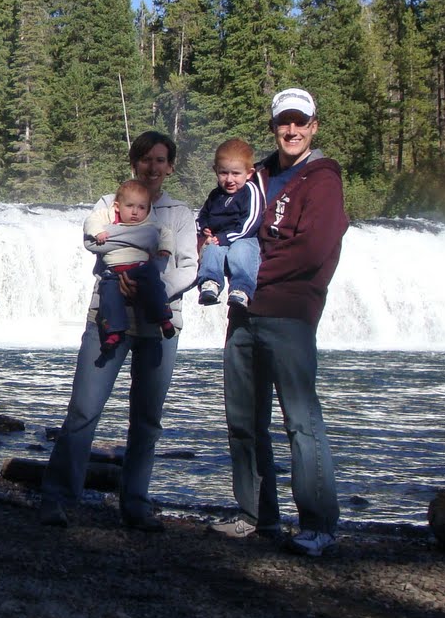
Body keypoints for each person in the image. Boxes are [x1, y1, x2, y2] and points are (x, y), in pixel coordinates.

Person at [39, 131, 199, 532]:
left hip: (160, 324)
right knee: (83, 410)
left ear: (170, 166)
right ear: (134, 163)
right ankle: (57, 497)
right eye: (145, 159)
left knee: (147, 419)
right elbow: (93, 241)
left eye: (161, 160)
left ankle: (136, 504)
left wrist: (151, 289)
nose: (153, 167)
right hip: (107, 318)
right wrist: (121, 269)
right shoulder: (108, 204)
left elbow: (189, 266)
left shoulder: (179, 214)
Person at [213, 88, 348, 557]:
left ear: (313, 126)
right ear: (274, 127)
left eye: (299, 122)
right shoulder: (256, 175)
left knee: (300, 421)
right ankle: (256, 516)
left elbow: (312, 250)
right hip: (244, 313)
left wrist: (247, 272)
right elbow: (225, 221)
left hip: (289, 314)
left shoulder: (323, 181)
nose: (290, 130)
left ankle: (318, 524)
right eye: (282, 123)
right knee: (244, 420)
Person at [86, 178, 176, 353]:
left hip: (141, 267)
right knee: (109, 297)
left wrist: (165, 248)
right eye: (130, 206)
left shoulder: (150, 221)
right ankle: (114, 332)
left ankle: (164, 319)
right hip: (112, 272)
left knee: (155, 286)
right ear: (118, 206)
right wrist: (97, 232)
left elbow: (165, 233)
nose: (135, 212)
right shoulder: (107, 214)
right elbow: (90, 223)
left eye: (142, 208)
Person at [195, 138, 264, 308]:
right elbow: (203, 215)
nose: (229, 179)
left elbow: (252, 220)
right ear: (215, 171)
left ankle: (241, 289)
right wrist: (204, 228)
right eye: (224, 173)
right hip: (220, 239)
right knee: (212, 249)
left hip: (245, 237)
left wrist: (227, 237)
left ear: (249, 173)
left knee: (240, 251)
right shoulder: (215, 194)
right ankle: (210, 283)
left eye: (236, 173)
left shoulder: (250, 191)